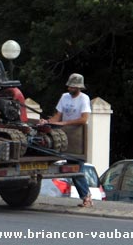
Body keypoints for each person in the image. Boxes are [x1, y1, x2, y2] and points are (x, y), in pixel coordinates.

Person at [40, 73, 93, 207]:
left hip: (76, 138)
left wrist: (65, 123)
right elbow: (58, 116)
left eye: (73, 86)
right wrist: (47, 122)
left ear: (78, 87)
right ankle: (86, 196)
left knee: (76, 169)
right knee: (72, 169)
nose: (70, 88)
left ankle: (86, 196)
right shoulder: (64, 97)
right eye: (69, 85)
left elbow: (84, 119)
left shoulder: (84, 99)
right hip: (63, 137)